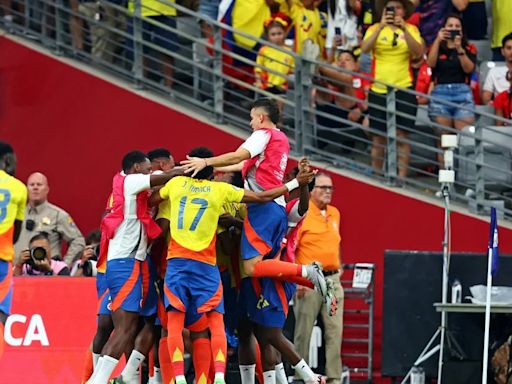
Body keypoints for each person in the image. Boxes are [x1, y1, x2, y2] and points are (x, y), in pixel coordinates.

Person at [150, 146, 317, 384]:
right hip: (209, 268)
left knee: (175, 325)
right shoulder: (222, 191)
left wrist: (173, 175)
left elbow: (151, 198)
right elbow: (261, 198)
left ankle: (177, 378)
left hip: (178, 265)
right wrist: (294, 183)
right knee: (217, 321)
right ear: (212, 172)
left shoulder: (175, 187)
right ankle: (218, 375)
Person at [87, 151, 183, 384]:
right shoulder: (130, 181)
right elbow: (163, 177)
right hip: (124, 263)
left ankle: (126, 376)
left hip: (134, 262)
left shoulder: (128, 184)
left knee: (145, 321)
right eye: (147, 168)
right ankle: (97, 380)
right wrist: (189, 171)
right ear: (137, 168)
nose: (150, 171)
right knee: (125, 327)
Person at [361, 0, 423, 178]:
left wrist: (403, 29)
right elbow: (365, 49)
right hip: (379, 88)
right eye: (390, 8)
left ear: (404, 11)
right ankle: (377, 176)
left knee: (402, 135)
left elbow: (417, 52)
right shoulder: (374, 28)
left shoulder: (412, 29)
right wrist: (380, 27)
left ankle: (401, 178)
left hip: (403, 87)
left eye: (398, 8)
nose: (394, 11)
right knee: (378, 136)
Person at [293, 173, 344, 384]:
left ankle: (334, 378)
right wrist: (296, 279)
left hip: (333, 280)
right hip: (309, 280)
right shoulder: (303, 213)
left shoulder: (334, 213)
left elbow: (335, 244)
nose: (327, 192)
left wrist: (338, 268)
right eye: (323, 187)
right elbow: (291, 248)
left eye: (330, 188)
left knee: (335, 332)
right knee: (303, 332)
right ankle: (300, 376)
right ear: (311, 190)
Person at [14, 172, 85, 266]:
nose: (35, 187)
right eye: (32, 185)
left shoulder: (57, 215)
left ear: (47, 189)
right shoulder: (17, 214)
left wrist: (64, 265)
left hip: (45, 274)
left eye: (39, 184)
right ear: (26, 189)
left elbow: (78, 241)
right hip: (17, 272)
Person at [427, 14, 476, 146]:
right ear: (444, 28)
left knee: (463, 140)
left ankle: (461, 167)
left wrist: (459, 48)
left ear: (461, 30)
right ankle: (445, 167)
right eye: (450, 26)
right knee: (445, 142)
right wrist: (437, 40)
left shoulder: (469, 47)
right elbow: (430, 64)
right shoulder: (436, 46)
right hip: (440, 94)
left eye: (457, 26)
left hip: (462, 94)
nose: (453, 28)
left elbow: (469, 69)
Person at [0, 141, 27, 359]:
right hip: (1, 260)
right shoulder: (18, 188)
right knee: (1, 316)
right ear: (7, 160)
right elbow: (17, 234)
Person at [254, 17, 295, 96]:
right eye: (273, 34)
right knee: (267, 107)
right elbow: (258, 69)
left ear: (284, 34)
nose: (277, 37)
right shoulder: (264, 50)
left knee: (279, 106)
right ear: (268, 36)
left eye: (279, 33)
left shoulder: (289, 51)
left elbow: (292, 70)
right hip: (266, 86)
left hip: (282, 87)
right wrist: (258, 82)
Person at [482, 33, 512, 105]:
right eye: (508, 48)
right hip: (500, 111)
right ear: (502, 51)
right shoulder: (494, 72)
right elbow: (486, 99)